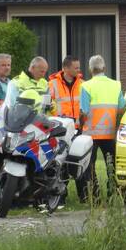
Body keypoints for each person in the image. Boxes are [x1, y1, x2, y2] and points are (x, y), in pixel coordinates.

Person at [80, 55, 125, 200]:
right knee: (112, 166)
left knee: (90, 167)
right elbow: (122, 107)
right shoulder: (116, 84)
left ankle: (95, 196)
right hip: (110, 133)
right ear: (104, 68)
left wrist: (81, 126)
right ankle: (113, 193)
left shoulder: (86, 86)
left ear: (90, 69)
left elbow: (84, 111)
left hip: (90, 134)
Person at [49, 55, 87, 199]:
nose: (79, 69)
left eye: (78, 67)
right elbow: (47, 106)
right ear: (65, 68)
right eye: (75, 67)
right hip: (61, 131)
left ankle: (84, 196)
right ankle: (61, 195)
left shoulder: (83, 84)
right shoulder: (52, 84)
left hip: (78, 129)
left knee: (80, 162)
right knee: (60, 163)